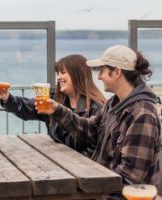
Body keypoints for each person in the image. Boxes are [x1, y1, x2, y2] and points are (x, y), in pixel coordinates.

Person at [37, 45, 161, 194]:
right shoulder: (114, 104)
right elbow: (90, 130)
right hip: (100, 190)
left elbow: (130, 179)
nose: (99, 76)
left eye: (102, 71)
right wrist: (57, 110)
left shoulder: (142, 115)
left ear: (116, 72)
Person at [0, 54, 106, 157]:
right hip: (57, 161)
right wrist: (7, 98)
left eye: (63, 72)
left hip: (82, 170)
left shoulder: (95, 107)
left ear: (77, 74)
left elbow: (96, 148)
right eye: (58, 73)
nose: (58, 77)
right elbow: (27, 108)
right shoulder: (55, 99)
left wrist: (72, 162)